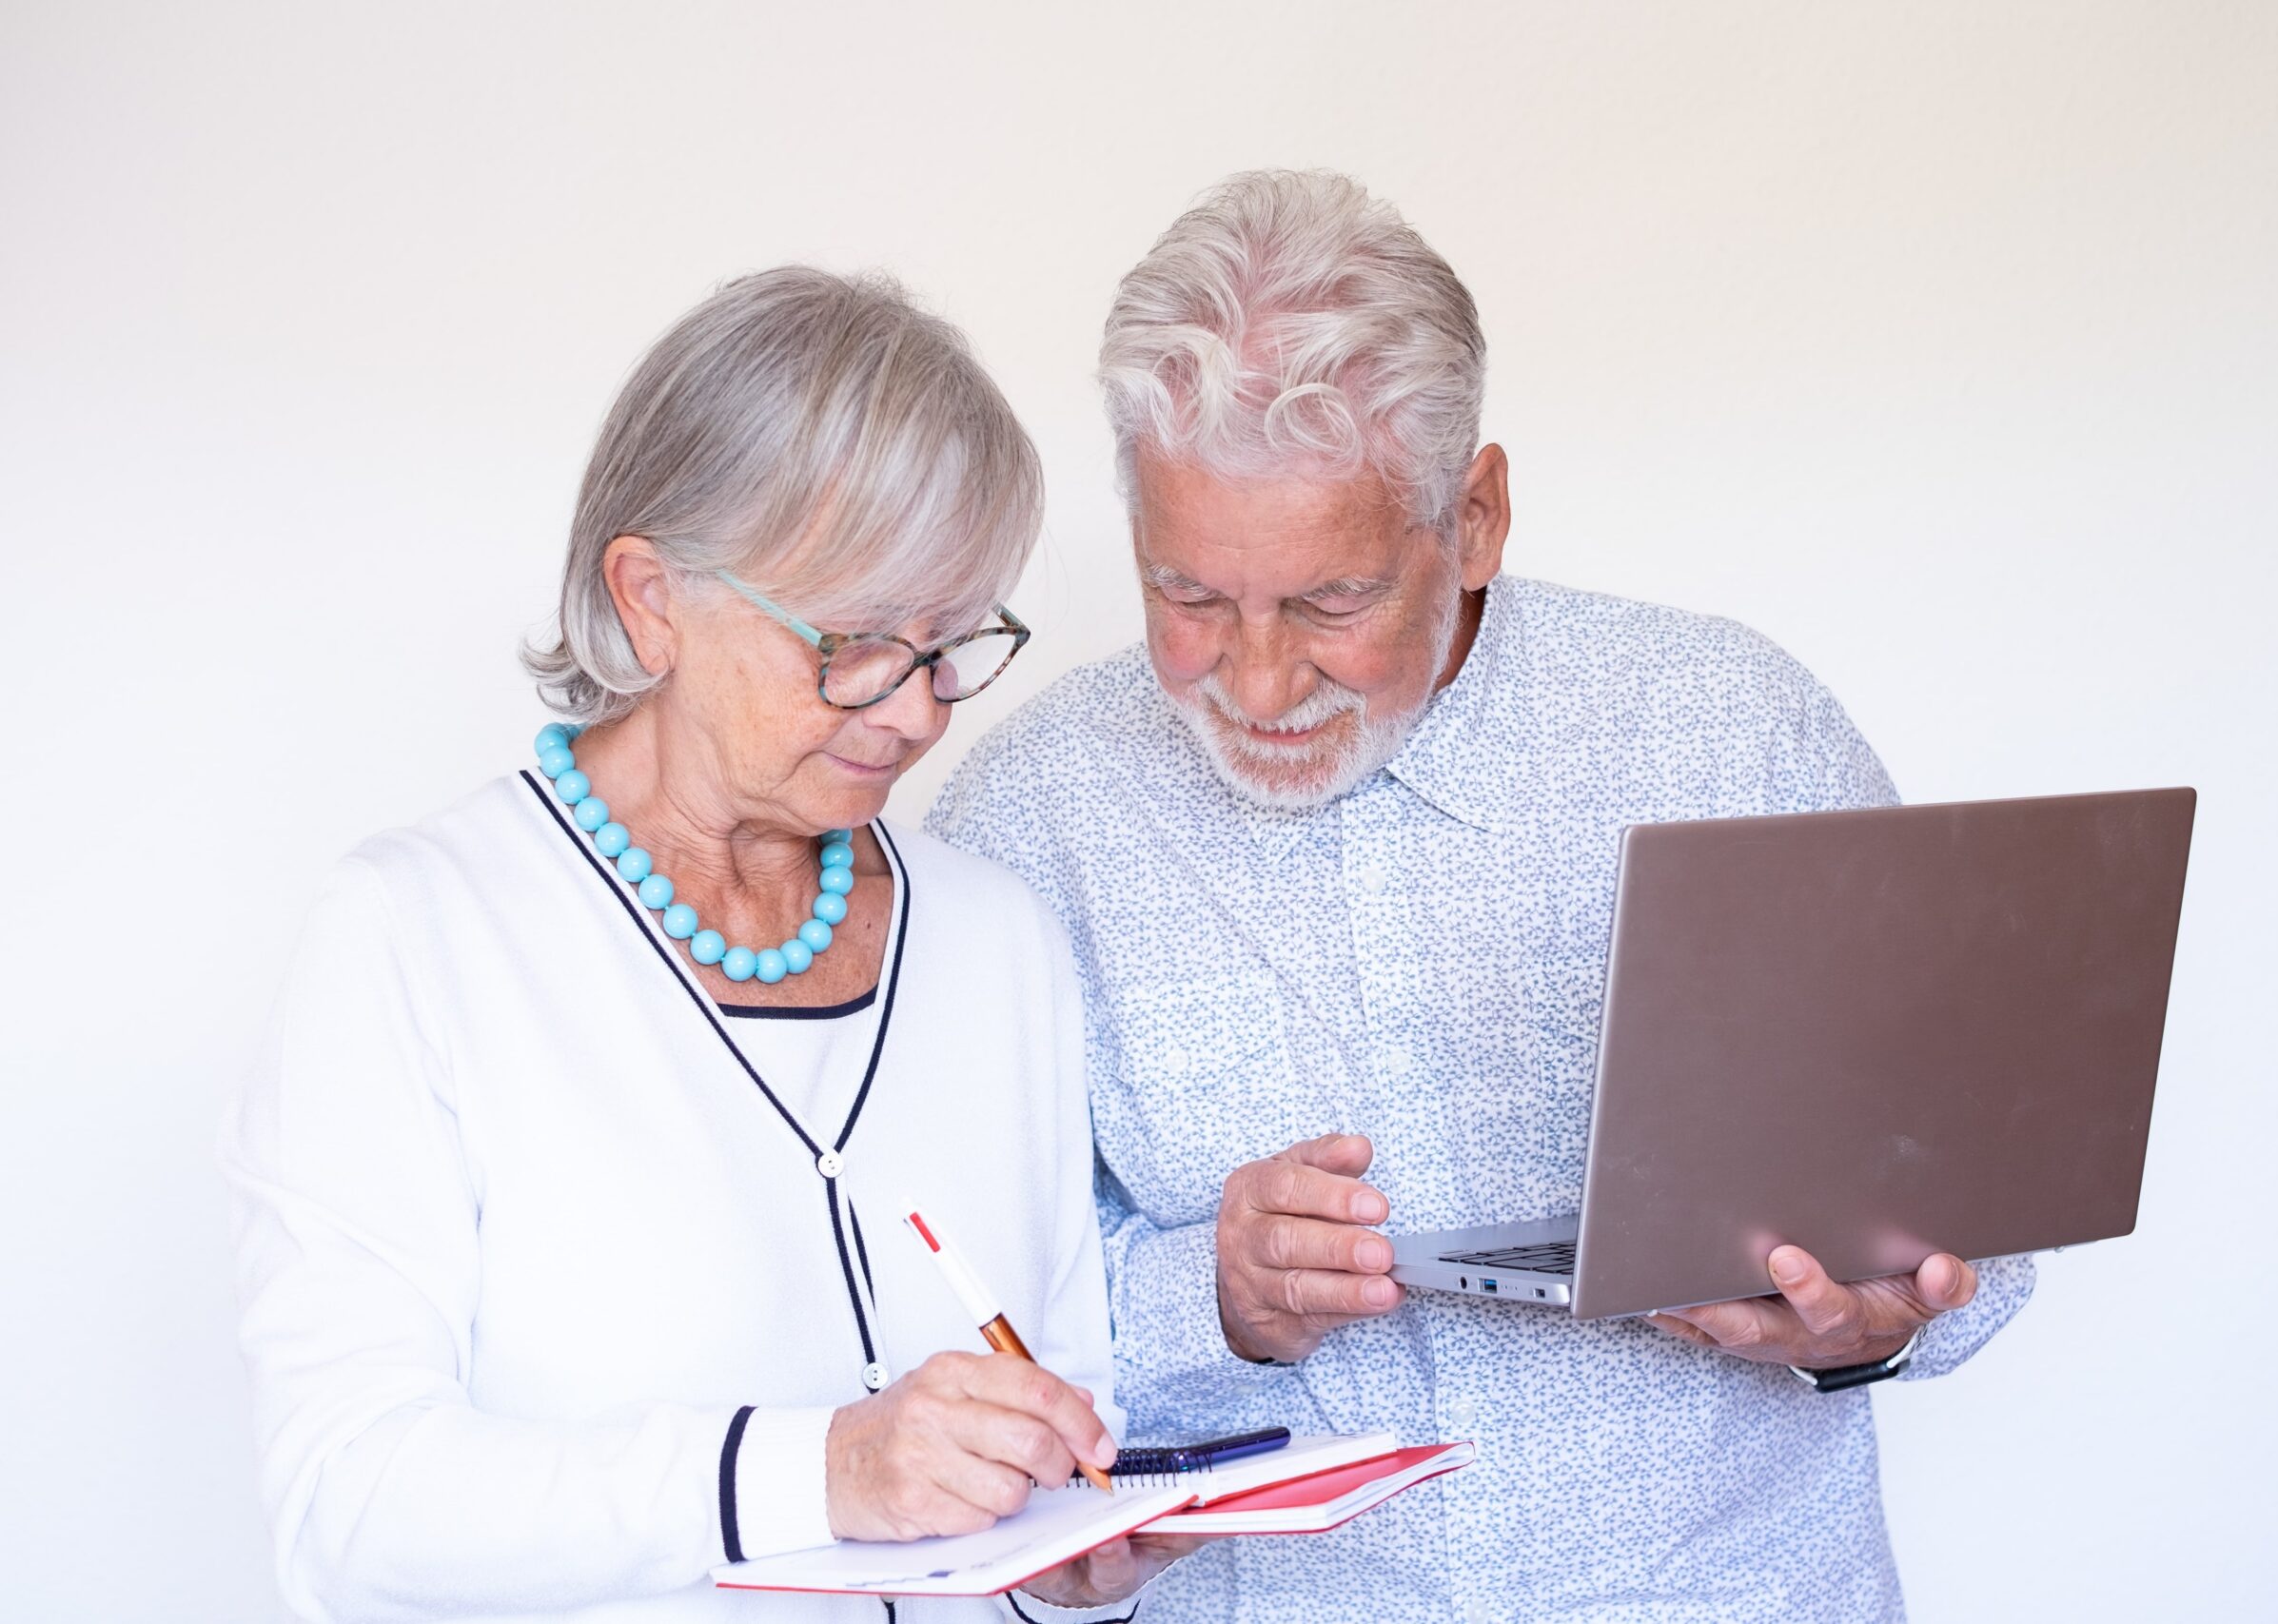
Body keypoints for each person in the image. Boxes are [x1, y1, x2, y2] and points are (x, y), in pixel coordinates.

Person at [928, 171, 2036, 1622]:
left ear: (1480, 513)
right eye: (1188, 597)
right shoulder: (1024, 818)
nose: (1255, 687)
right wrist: (1212, 1295)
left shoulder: (1733, 731)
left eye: (1331, 604)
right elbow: (936, 1312)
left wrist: (1871, 1324)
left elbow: (1988, 1245)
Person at [224, 267, 1185, 1622]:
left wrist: (1075, 1564)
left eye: (954, 641)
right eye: (856, 644)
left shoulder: (998, 944)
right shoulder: (416, 938)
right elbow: (352, 1506)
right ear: (651, 598)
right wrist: (820, 1473)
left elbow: (1064, 1394)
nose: (918, 714)